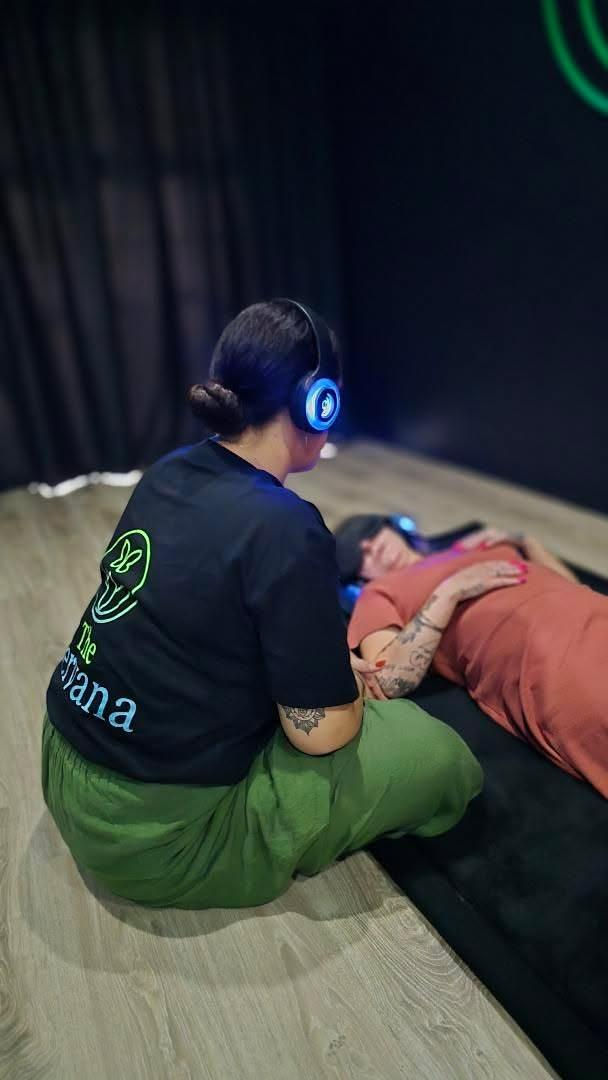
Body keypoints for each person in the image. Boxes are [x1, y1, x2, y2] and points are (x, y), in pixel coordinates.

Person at [41, 300, 482, 910]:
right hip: (150, 839)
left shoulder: (167, 473)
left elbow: (187, 619)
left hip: (63, 763)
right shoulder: (285, 527)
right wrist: (339, 689)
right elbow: (321, 736)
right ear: (318, 401)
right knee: (438, 758)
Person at [337, 514, 608, 798]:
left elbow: (572, 586)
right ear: (357, 577)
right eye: (357, 554)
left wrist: (525, 542)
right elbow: (388, 678)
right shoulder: (378, 594)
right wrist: (450, 592)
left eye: (370, 533)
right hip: (545, 652)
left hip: (591, 611)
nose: (371, 546)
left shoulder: (468, 547)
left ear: (390, 527)